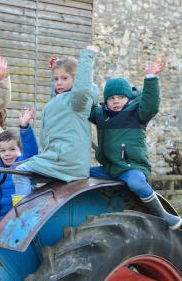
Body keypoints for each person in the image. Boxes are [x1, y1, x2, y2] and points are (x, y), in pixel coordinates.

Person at [89, 59, 181, 230]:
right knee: (77, 172)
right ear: (106, 101)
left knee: (137, 184)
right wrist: (61, 81)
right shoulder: (101, 114)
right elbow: (80, 104)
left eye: (121, 97)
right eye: (112, 98)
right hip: (109, 168)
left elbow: (151, 104)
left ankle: (163, 214)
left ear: (129, 98)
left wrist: (151, 77)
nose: (116, 101)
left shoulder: (137, 113)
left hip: (131, 168)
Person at [13, 46, 99, 192]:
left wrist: (87, 57)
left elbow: (82, 89)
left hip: (66, 162)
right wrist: (55, 69)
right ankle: (31, 208)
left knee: (20, 172)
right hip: (59, 157)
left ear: (77, 79)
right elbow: (57, 99)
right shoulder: (63, 99)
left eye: (64, 78)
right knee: (20, 171)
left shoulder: (78, 102)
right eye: (56, 79)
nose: (58, 82)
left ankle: (22, 213)